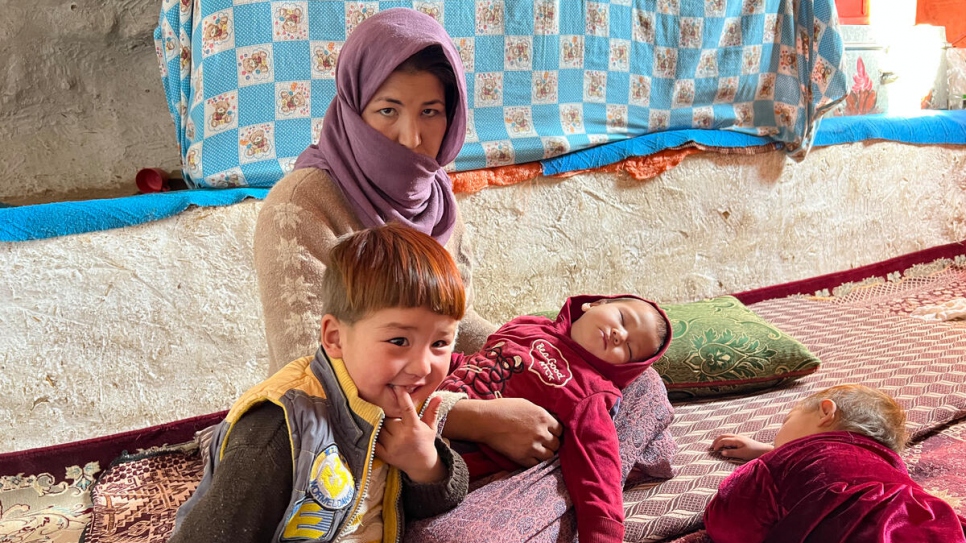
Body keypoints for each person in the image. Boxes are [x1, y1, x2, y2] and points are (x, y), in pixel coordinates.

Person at [252, 7, 561, 470]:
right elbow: (310, 375)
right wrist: (474, 419)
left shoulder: (438, 200)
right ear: (355, 109)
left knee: (613, 392)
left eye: (430, 112)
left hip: (434, 405)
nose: (411, 138)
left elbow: (448, 324)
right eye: (387, 110)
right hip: (341, 442)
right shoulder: (302, 205)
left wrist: (528, 351)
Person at [171, 223, 471, 543]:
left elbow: (429, 500)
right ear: (335, 337)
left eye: (440, 343)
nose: (422, 366)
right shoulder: (279, 432)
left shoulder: (401, 400)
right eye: (399, 340)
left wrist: (426, 465)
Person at [440, 294, 673, 543]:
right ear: (593, 304)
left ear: (624, 368)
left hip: (453, 463)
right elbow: (477, 361)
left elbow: (598, 471)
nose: (620, 335)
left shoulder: (591, 393)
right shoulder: (528, 325)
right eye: (622, 318)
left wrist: (603, 534)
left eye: (629, 349)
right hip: (433, 406)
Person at [705, 384, 966, 543]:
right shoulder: (891, 471)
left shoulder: (783, 462)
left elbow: (730, 524)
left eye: (786, 421)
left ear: (826, 412)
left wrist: (771, 459)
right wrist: (769, 451)